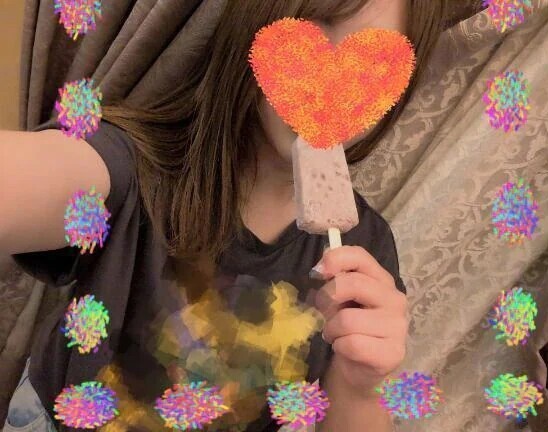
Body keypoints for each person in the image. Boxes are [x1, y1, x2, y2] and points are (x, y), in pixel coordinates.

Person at [0, 0, 448, 431]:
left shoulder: (365, 247)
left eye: (371, 69)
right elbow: (42, 174)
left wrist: (362, 384)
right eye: (316, 31)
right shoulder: (133, 167)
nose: (329, 92)